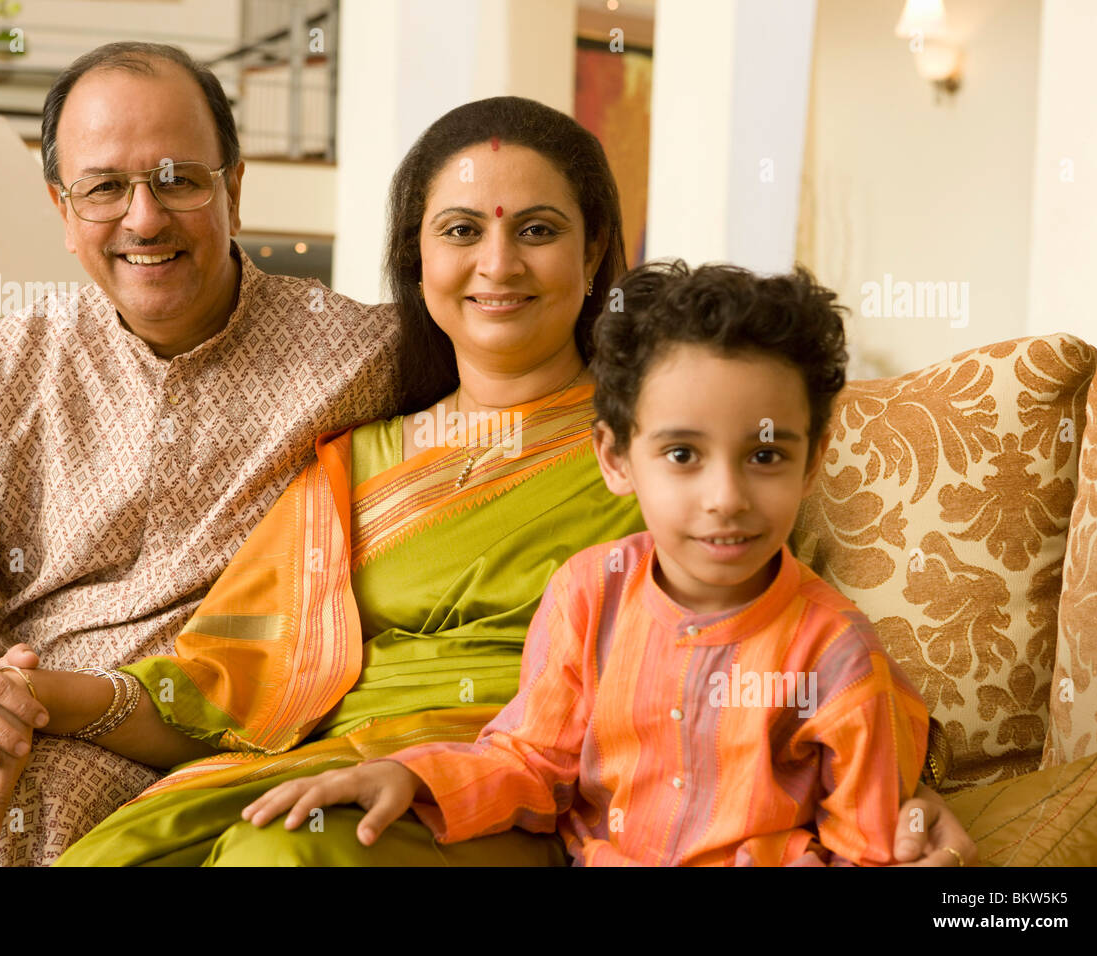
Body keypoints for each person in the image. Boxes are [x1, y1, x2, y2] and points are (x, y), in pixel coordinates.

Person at [52, 102, 974, 867]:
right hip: (332, 770)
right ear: (417, 258)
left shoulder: (679, 444)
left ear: (595, 248)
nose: (498, 266)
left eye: (538, 231)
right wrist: (48, 694)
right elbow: (220, 682)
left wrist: (908, 800)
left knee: (286, 855)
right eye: (460, 232)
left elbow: (788, 638)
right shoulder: (351, 462)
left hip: (524, 790)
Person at [0, 42, 397, 866]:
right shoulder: (6, 367)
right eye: (104, 189)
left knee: (31, 798)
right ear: (62, 209)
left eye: (177, 179)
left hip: (173, 740)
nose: (144, 218)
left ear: (233, 186)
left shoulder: (363, 358)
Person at [244, 259, 935, 866]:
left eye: (765, 456)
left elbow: (868, 850)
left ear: (812, 462)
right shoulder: (588, 594)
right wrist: (414, 779)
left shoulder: (838, 655)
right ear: (615, 458)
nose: (726, 499)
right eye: (683, 455)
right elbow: (532, 762)